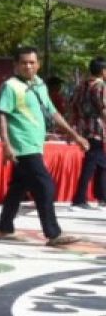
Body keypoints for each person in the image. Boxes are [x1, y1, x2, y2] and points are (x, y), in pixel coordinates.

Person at [0, 46, 87, 245]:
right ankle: (53, 234)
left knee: (18, 188)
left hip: (35, 143)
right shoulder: (10, 86)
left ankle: (3, 228)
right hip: (23, 145)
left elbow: (53, 113)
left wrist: (75, 135)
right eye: (23, 62)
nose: (28, 66)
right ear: (16, 65)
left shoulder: (40, 85)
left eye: (32, 62)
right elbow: (1, 113)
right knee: (45, 186)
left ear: (38, 64)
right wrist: (6, 144)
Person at [70, 57, 106, 210]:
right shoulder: (100, 86)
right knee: (90, 165)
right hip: (96, 129)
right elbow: (103, 108)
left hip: (83, 129)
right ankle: (79, 199)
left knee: (101, 164)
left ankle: (102, 197)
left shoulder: (81, 86)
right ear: (103, 71)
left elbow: (73, 105)